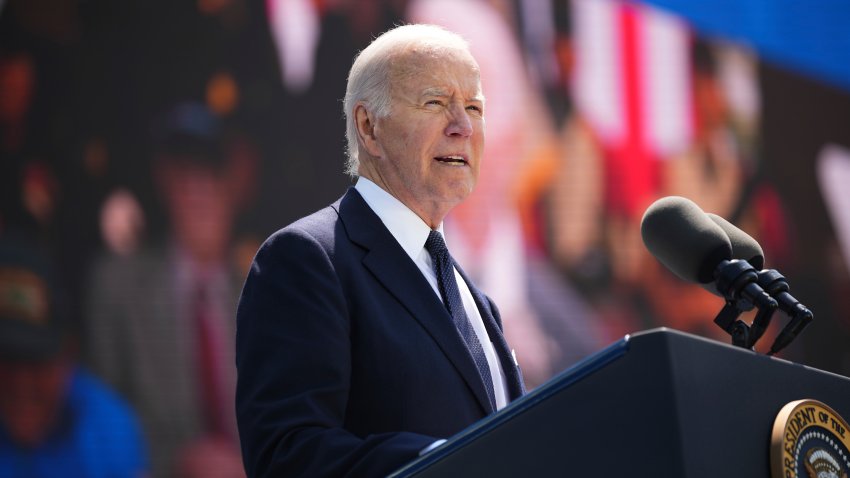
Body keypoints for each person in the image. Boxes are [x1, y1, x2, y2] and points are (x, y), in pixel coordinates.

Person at [235, 24, 526, 477]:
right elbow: (286, 456)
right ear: (369, 127)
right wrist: (446, 463)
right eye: (435, 102)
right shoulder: (307, 260)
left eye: (474, 107)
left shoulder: (479, 303)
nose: (463, 126)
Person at [85, 103, 251, 478]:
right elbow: (96, 421)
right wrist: (178, 463)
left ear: (235, 184)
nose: (199, 191)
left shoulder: (260, 288)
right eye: (185, 176)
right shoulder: (118, 287)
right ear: (164, 183)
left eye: (211, 174)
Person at [0, 237, 148, 478]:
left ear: (68, 356)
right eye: (7, 359)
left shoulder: (108, 430)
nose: (21, 382)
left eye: (37, 361)